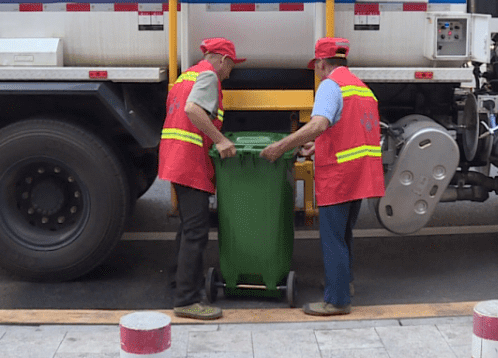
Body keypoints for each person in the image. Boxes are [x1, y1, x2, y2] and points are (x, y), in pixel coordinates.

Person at [260, 37, 384, 316]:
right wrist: (319, 145)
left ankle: (337, 301)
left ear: (321, 63)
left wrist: (282, 146)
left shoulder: (330, 86)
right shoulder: (362, 88)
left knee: (332, 238)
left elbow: (319, 123)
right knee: (344, 234)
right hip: (361, 173)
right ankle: (344, 284)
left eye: (315, 64)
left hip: (339, 174)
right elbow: (352, 129)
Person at [159, 37, 244, 320]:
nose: (231, 72)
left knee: (187, 226)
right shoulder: (208, 76)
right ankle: (186, 300)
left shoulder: (186, 76)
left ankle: (177, 280)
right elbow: (193, 110)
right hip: (189, 161)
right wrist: (220, 140)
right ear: (222, 59)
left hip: (175, 158)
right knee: (196, 231)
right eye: (231, 65)